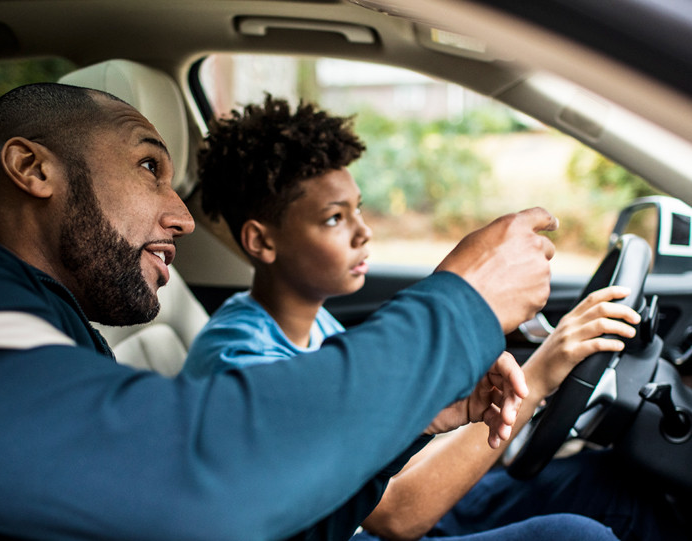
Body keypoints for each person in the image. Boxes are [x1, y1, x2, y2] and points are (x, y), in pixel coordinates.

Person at [0, 82, 612, 541]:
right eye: (148, 166)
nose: (182, 216)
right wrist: (460, 303)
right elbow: (200, 481)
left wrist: (412, 418)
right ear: (31, 168)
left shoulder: (56, 329)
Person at [184, 95, 683, 541]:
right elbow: (395, 515)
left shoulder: (312, 325)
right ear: (261, 241)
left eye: (358, 210)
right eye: (335, 218)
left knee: (609, 483)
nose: (364, 233)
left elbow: (392, 456)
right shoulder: (242, 361)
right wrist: (540, 375)